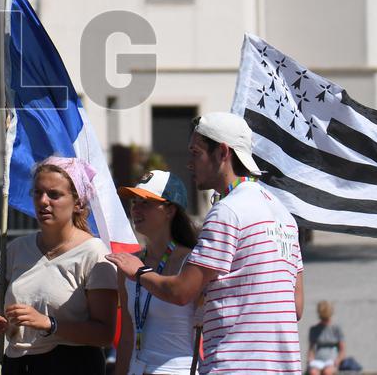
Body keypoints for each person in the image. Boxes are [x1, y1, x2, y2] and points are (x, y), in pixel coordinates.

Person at [108, 112, 304, 374]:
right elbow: (296, 306)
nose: (189, 163)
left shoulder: (228, 211)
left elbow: (181, 292)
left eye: (195, 152)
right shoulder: (284, 215)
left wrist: (139, 271)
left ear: (223, 152)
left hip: (235, 366)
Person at [0, 156, 118, 375]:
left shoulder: (94, 253)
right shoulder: (16, 249)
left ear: (78, 202)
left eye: (54, 194)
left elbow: (104, 333)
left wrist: (49, 324)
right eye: (38, 192)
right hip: (16, 364)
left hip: (71, 365)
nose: (43, 201)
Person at [115, 170, 199, 375]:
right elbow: (127, 335)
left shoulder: (192, 261)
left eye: (146, 202)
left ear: (170, 210)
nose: (136, 209)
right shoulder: (128, 264)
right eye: (134, 202)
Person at [308, 300, 346, 375]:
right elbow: (311, 349)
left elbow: (342, 350)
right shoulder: (314, 329)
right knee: (313, 372)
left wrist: (338, 360)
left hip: (332, 360)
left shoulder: (336, 329)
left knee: (327, 372)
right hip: (318, 360)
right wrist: (310, 360)